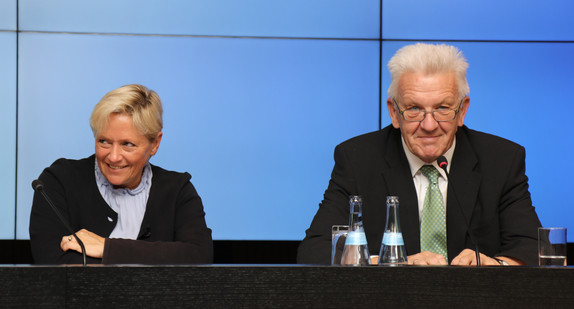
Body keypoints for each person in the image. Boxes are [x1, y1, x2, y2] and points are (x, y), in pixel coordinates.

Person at [297, 43, 542, 266]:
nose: (429, 125)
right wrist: (389, 264)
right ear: (394, 112)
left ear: (462, 110)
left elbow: (532, 249)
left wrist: (494, 266)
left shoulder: (501, 160)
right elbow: (314, 251)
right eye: (414, 109)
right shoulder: (357, 159)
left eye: (442, 108)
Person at [29, 84, 213, 264]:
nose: (114, 157)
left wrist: (107, 248)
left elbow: (198, 255)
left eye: (128, 144)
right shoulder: (58, 181)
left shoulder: (177, 190)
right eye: (104, 141)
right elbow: (53, 263)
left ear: (155, 144)